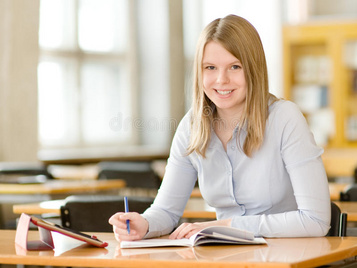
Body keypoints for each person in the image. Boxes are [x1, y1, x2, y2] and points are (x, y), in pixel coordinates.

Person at [109, 14, 331, 242]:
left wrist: (227, 225)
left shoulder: (285, 118)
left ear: (253, 70)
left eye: (235, 66)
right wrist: (143, 224)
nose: (221, 79)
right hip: (224, 257)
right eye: (210, 67)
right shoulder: (192, 126)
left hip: (288, 258)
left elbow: (315, 220)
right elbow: (166, 211)